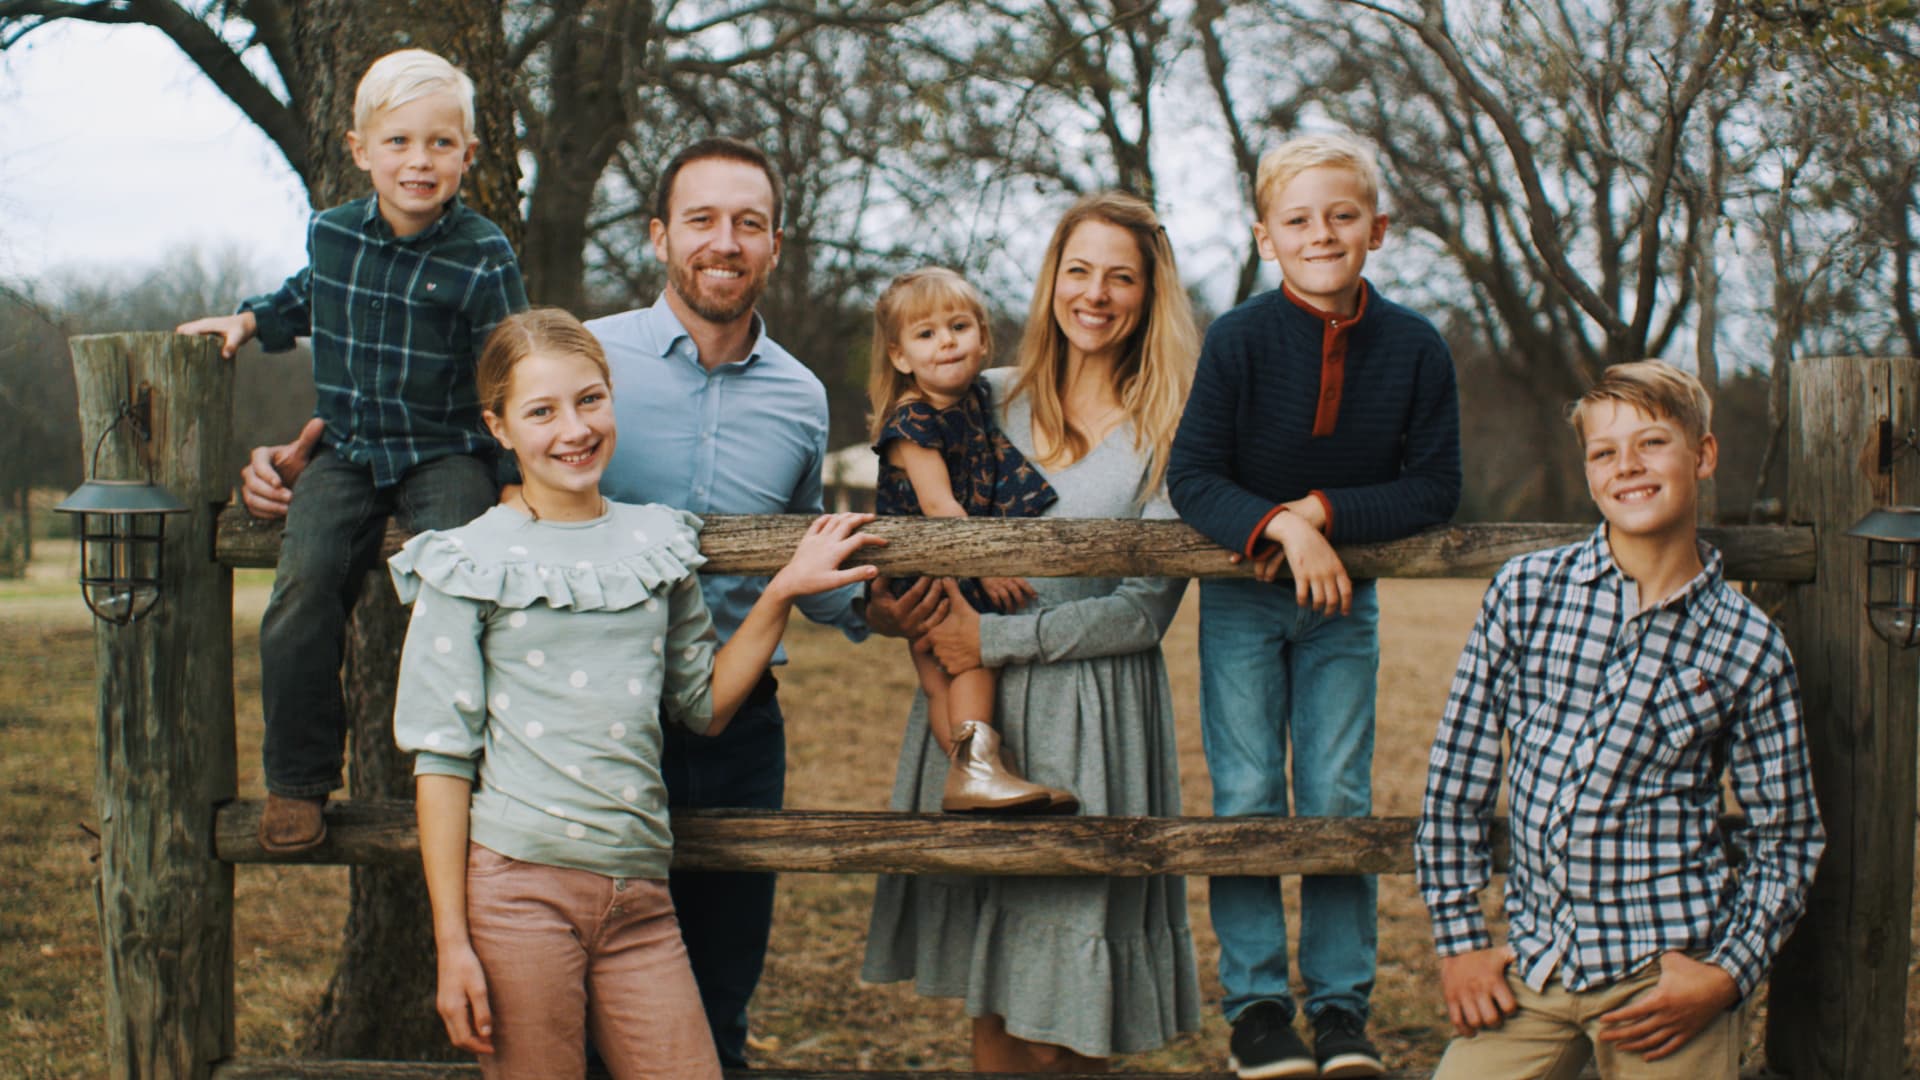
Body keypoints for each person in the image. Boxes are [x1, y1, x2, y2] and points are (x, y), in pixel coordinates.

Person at [390, 308, 881, 1078]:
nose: (573, 429)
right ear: (499, 426)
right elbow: (442, 761)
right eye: (541, 411)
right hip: (520, 892)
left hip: (641, 895)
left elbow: (705, 704)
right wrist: (452, 944)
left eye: (590, 400)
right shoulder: (468, 561)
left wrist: (782, 591)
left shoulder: (658, 542)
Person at [862, 191, 1203, 1069]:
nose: (1096, 294)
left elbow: (1144, 608)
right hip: (986, 713)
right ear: (1053, 280)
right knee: (1001, 1009)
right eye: (1078, 270)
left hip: (1096, 715)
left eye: (1120, 277)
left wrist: (999, 641)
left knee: (1078, 1018)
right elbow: (899, 511)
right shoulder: (980, 399)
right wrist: (890, 609)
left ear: (1149, 294)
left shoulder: (1172, 429)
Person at [1414, 361, 1824, 1080]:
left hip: (1667, 976)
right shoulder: (1527, 593)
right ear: (1588, 469)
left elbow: (1787, 840)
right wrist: (1460, 941)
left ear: (1703, 454)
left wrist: (1727, 972)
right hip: (1533, 968)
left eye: (1652, 443)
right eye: (1604, 451)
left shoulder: (1748, 643)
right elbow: (1456, 781)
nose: (1627, 467)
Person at [178, 48, 528, 854]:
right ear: (360, 149)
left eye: (441, 144)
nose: (419, 160)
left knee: (458, 596)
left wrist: (512, 480)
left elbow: (512, 366)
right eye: (399, 141)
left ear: (469, 156)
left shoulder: (483, 252)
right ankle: (298, 781)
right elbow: (308, 295)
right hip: (346, 451)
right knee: (301, 592)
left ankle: (476, 770)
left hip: (447, 452)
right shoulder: (334, 234)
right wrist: (247, 321)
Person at [1165, 131, 1461, 1078]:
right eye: (1298, 219)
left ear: (1377, 227)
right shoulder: (1240, 338)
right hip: (1244, 602)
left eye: (1342, 216)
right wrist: (1282, 529)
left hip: (1347, 609)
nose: (1321, 233)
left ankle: (1340, 1010)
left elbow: (1434, 489)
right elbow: (1193, 477)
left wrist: (1327, 511)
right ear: (1265, 235)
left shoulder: (1415, 346)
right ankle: (1257, 1010)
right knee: (1248, 794)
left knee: (1338, 796)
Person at [867, 267, 1070, 813]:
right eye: (926, 334)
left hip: (950, 555)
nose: (947, 342)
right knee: (968, 666)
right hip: (933, 565)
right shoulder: (912, 422)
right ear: (901, 355)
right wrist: (987, 567)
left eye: (959, 326)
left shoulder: (977, 396)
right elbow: (937, 505)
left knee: (946, 682)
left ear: (983, 336)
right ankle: (976, 773)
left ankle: (974, 773)